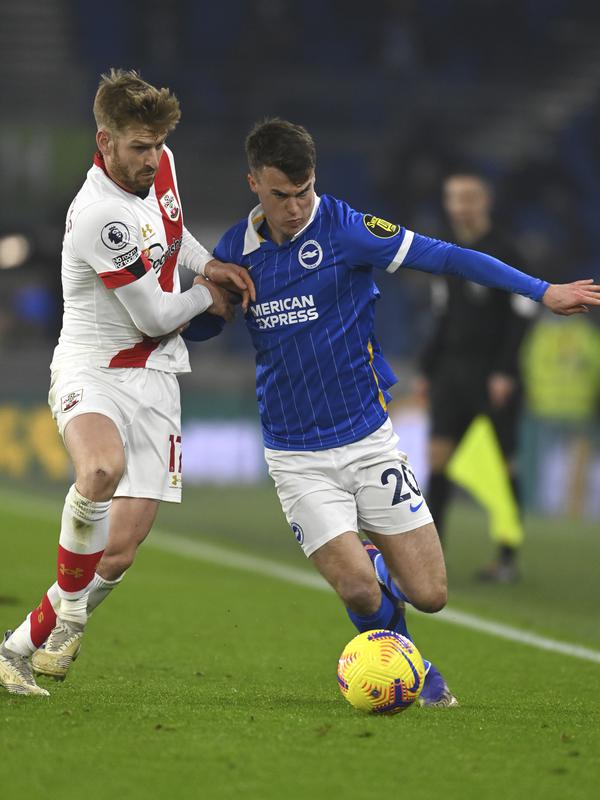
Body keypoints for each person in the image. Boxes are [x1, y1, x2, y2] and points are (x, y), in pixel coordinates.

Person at [211, 119, 600, 708]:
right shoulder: (230, 253)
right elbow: (199, 324)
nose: (294, 208)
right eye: (280, 196)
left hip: (368, 440)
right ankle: (412, 665)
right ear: (253, 186)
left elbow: (448, 259)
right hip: (296, 455)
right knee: (360, 592)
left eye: (305, 191)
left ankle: (378, 570)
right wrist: (198, 298)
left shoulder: (347, 229)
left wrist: (541, 290)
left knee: (432, 592)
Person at [0, 69, 254, 697]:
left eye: (156, 145)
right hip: (95, 368)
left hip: (159, 377)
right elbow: (155, 314)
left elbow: (173, 234)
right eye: (137, 147)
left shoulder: (161, 164)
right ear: (104, 140)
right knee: (100, 471)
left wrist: (208, 263)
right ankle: (74, 612)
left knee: (118, 553)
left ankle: (16, 649)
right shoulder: (97, 216)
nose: (150, 159)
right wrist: (207, 294)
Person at [417, 172, 535, 582]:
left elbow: (523, 315)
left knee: (503, 467)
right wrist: (428, 369)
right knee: (438, 460)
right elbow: (441, 316)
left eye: (467, 198)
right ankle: (434, 556)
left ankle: (506, 558)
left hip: (493, 374)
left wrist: (504, 369)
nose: (459, 206)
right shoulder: (445, 255)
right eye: (453, 198)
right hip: (452, 371)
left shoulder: (506, 251)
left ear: (484, 202)